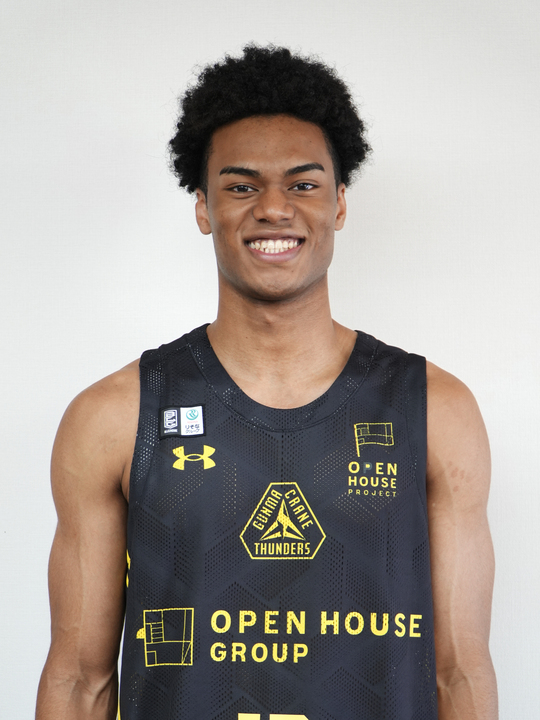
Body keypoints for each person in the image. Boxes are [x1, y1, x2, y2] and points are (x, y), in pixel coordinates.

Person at [36, 45, 497, 719]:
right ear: (203, 207)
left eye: (303, 185)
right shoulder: (113, 416)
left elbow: (459, 675)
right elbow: (81, 682)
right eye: (242, 186)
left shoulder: (435, 410)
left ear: (340, 204)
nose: (274, 209)